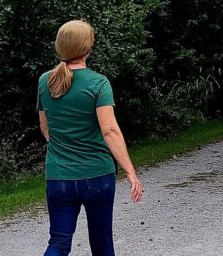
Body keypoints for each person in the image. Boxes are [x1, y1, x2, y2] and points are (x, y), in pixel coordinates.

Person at [37, 20, 144, 256]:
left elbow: (46, 128)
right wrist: (131, 171)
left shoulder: (45, 81)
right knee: (102, 243)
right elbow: (110, 131)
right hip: (97, 175)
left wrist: (64, 152)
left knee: (58, 243)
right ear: (87, 48)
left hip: (58, 177)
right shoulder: (98, 83)